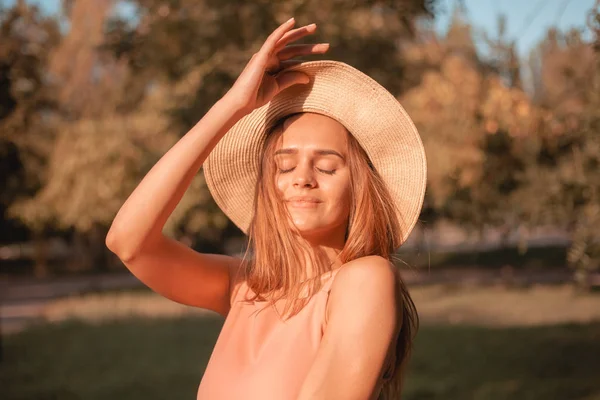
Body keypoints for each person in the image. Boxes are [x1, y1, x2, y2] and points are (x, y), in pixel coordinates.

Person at [106, 17, 426, 400]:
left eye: (326, 166)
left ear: (359, 188)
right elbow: (128, 241)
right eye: (284, 165)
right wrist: (233, 107)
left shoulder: (364, 280)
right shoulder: (242, 287)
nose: (302, 178)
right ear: (266, 186)